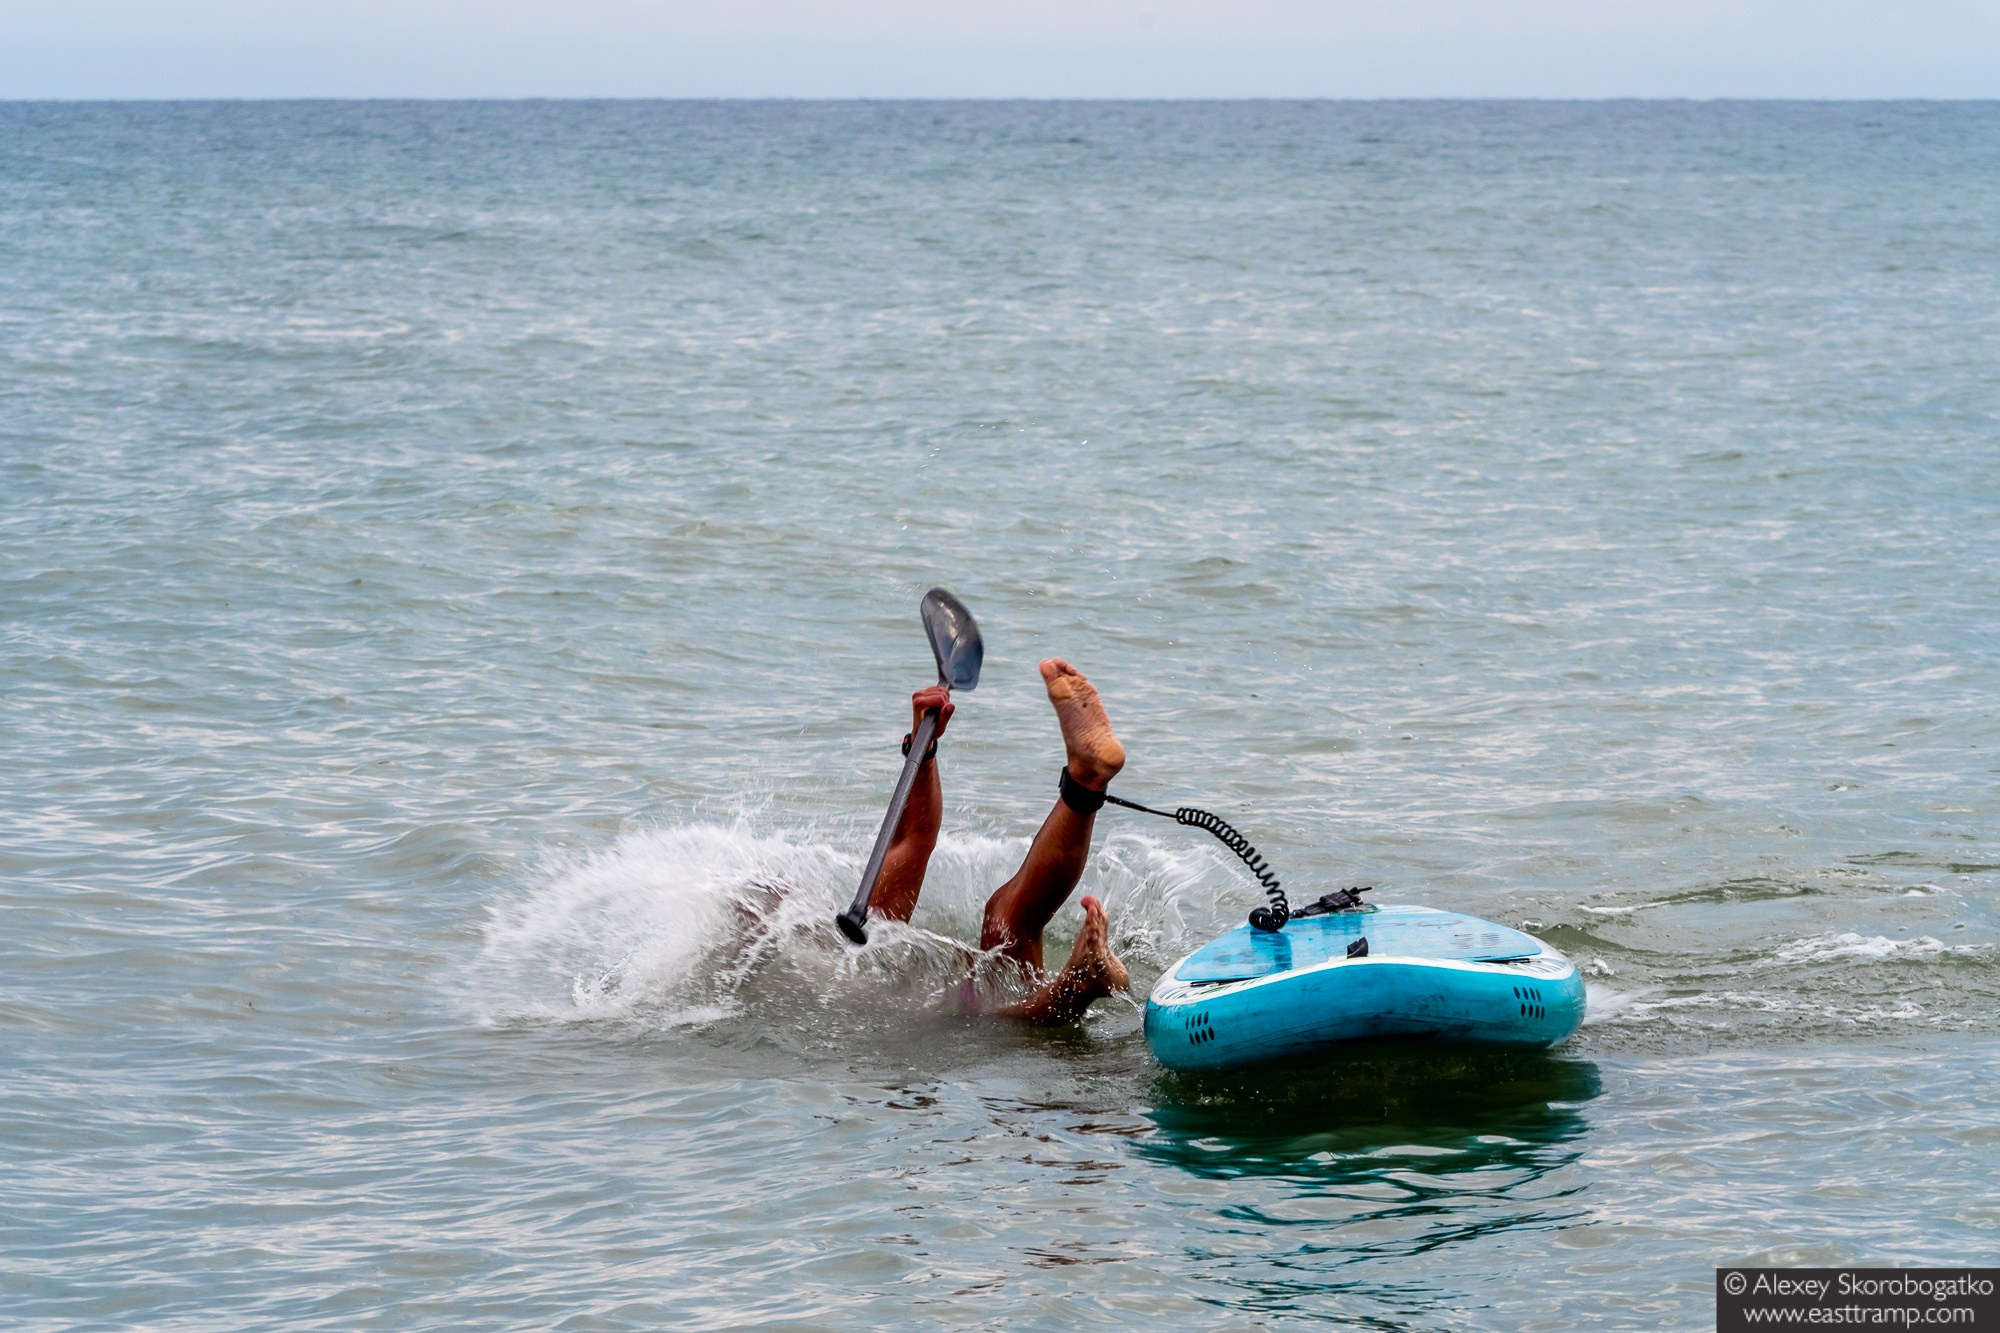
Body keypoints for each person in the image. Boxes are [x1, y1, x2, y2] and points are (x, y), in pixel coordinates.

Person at [867, 659, 1132, 1025]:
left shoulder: (843, 950)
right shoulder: (847, 947)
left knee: (1003, 920)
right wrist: (921, 749)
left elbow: (913, 840)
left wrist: (922, 748)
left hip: (926, 1001)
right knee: (995, 1014)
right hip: (922, 1020)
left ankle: (1086, 779)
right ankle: (1080, 983)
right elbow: (913, 841)